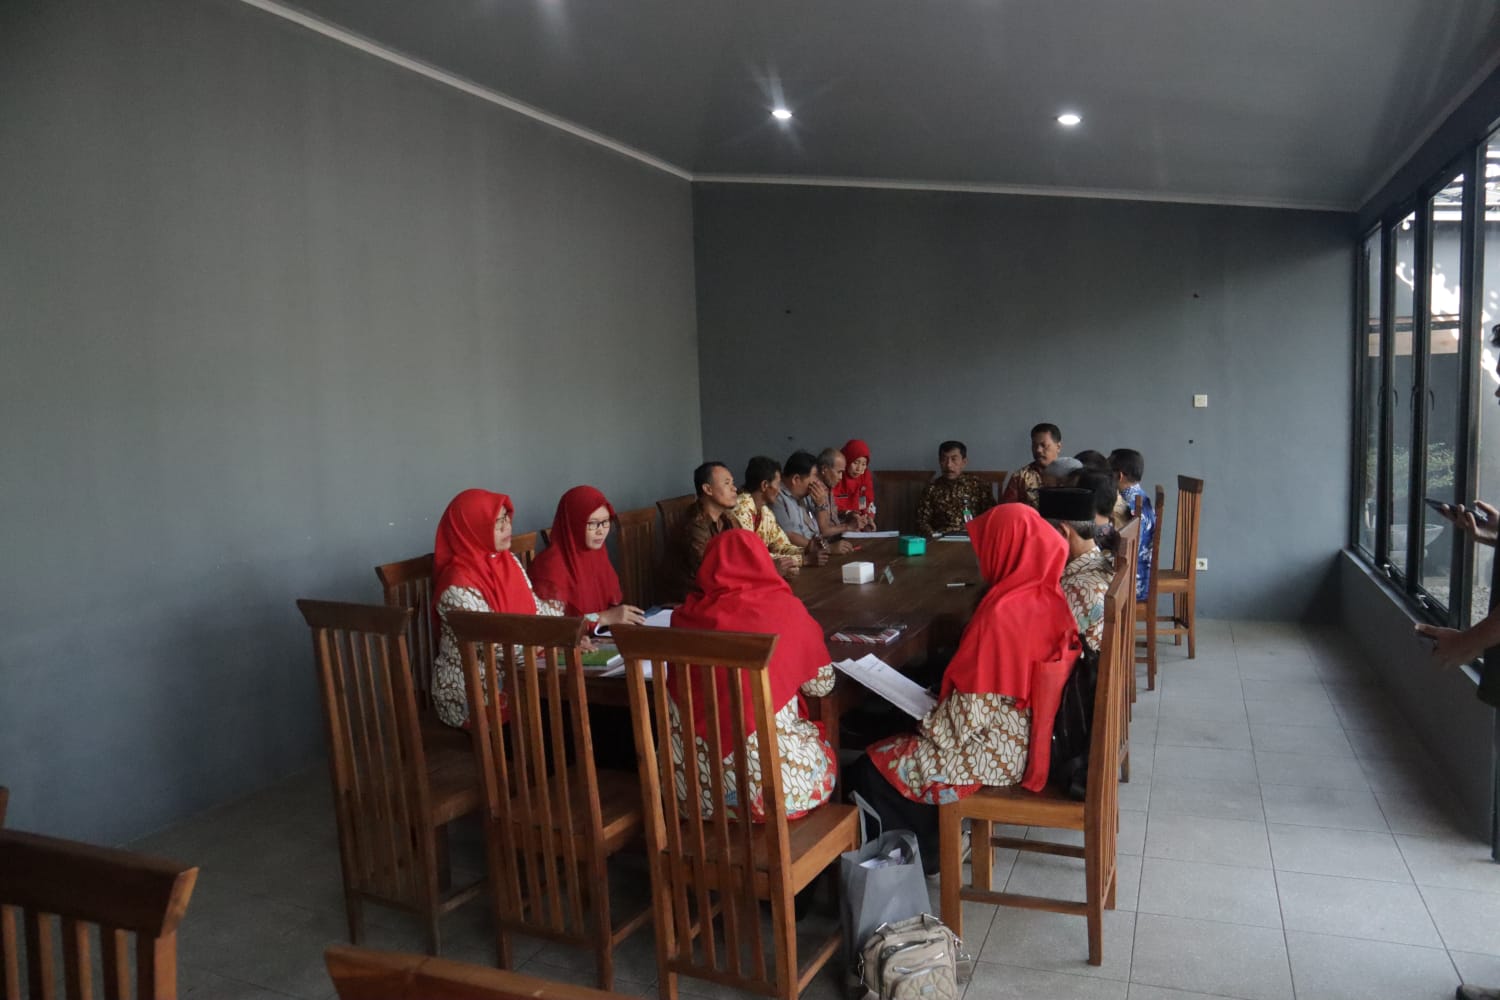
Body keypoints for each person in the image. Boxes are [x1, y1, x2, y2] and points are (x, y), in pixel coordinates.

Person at [844, 505, 1082, 869]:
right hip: (1029, 737)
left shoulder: (1002, 613)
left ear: (1007, 549)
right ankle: (937, 841)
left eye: (988, 548)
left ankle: (932, 854)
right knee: (897, 735)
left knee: (871, 765)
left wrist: (924, 723)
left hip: (997, 752)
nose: (981, 559)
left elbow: (964, 720)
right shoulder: (1047, 597)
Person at [669, 530, 838, 821]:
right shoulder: (785, 610)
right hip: (776, 796)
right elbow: (822, 684)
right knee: (825, 751)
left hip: (688, 797)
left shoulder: (683, 618)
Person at [430, 488, 562, 729]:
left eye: (506, 518)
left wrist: (575, 630)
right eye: (496, 522)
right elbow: (498, 644)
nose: (506, 526)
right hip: (475, 695)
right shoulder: (456, 585)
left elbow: (537, 611)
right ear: (472, 528)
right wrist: (558, 642)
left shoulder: (507, 561)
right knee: (563, 723)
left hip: (520, 678)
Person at [528, 485, 646, 626]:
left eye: (605, 522)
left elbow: (610, 609)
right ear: (574, 525)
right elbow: (556, 627)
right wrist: (603, 618)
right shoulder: (549, 568)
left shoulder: (597, 554)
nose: (601, 531)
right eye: (593, 524)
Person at [1040, 487, 1114, 652]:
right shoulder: (1101, 563)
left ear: (1062, 533)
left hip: (1078, 666)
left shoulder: (1078, 589)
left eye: (1043, 535)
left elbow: (1044, 647)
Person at [731, 456, 828, 575]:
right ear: (764, 485)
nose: (779, 490)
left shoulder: (765, 512)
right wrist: (803, 560)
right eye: (777, 484)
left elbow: (781, 545)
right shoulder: (741, 509)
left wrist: (806, 550)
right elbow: (752, 556)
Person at [661, 461, 738, 602]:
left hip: (719, 588)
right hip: (693, 598)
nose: (734, 488)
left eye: (733, 483)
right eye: (727, 483)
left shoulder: (726, 518)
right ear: (708, 489)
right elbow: (710, 571)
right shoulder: (693, 524)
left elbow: (742, 552)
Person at [773, 449, 854, 554]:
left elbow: (823, 529)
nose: (817, 481)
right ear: (796, 479)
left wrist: (820, 504)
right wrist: (827, 548)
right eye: (815, 476)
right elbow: (789, 536)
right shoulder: (777, 498)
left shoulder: (806, 493)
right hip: (803, 555)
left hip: (819, 551)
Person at [914, 439, 996, 536]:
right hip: (941, 538)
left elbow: (992, 517)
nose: (949, 465)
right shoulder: (932, 488)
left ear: (964, 462)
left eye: (954, 459)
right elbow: (921, 521)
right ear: (939, 461)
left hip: (972, 537)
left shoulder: (978, 486)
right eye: (944, 459)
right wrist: (934, 536)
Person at [1108, 448, 1156, 600]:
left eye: (1109, 473)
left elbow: (1124, 552)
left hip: (1132, 584)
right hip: (1142, 576)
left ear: (1119, 476)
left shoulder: (1128, 505)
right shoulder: (1140, 498)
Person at [1000, 422, 1063, 507]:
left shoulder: (1070, 475)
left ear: (1058, 447)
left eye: (1043, 445)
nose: (1038, 450)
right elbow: (1007, 510)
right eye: (1034, 445)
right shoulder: (1020, 477)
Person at [815, 447, 871, 534]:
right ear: (824, 469)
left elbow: (833, 516)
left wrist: (852, 515)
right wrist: (848, 526)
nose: (859, 468)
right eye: (839, 472)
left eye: (864, 464)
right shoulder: (817, 489)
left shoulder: (829, 486)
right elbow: (824, 530)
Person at [834, 438, 878, 526]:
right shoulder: (837, 474)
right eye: (855, 462)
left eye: (863, 464)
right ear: (847, 460)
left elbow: (865, 499)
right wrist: (849, 514)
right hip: (838, 524)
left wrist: (868, 518)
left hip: (858, 523)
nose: (859, 469)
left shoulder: (865, 475)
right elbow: (831, 504)